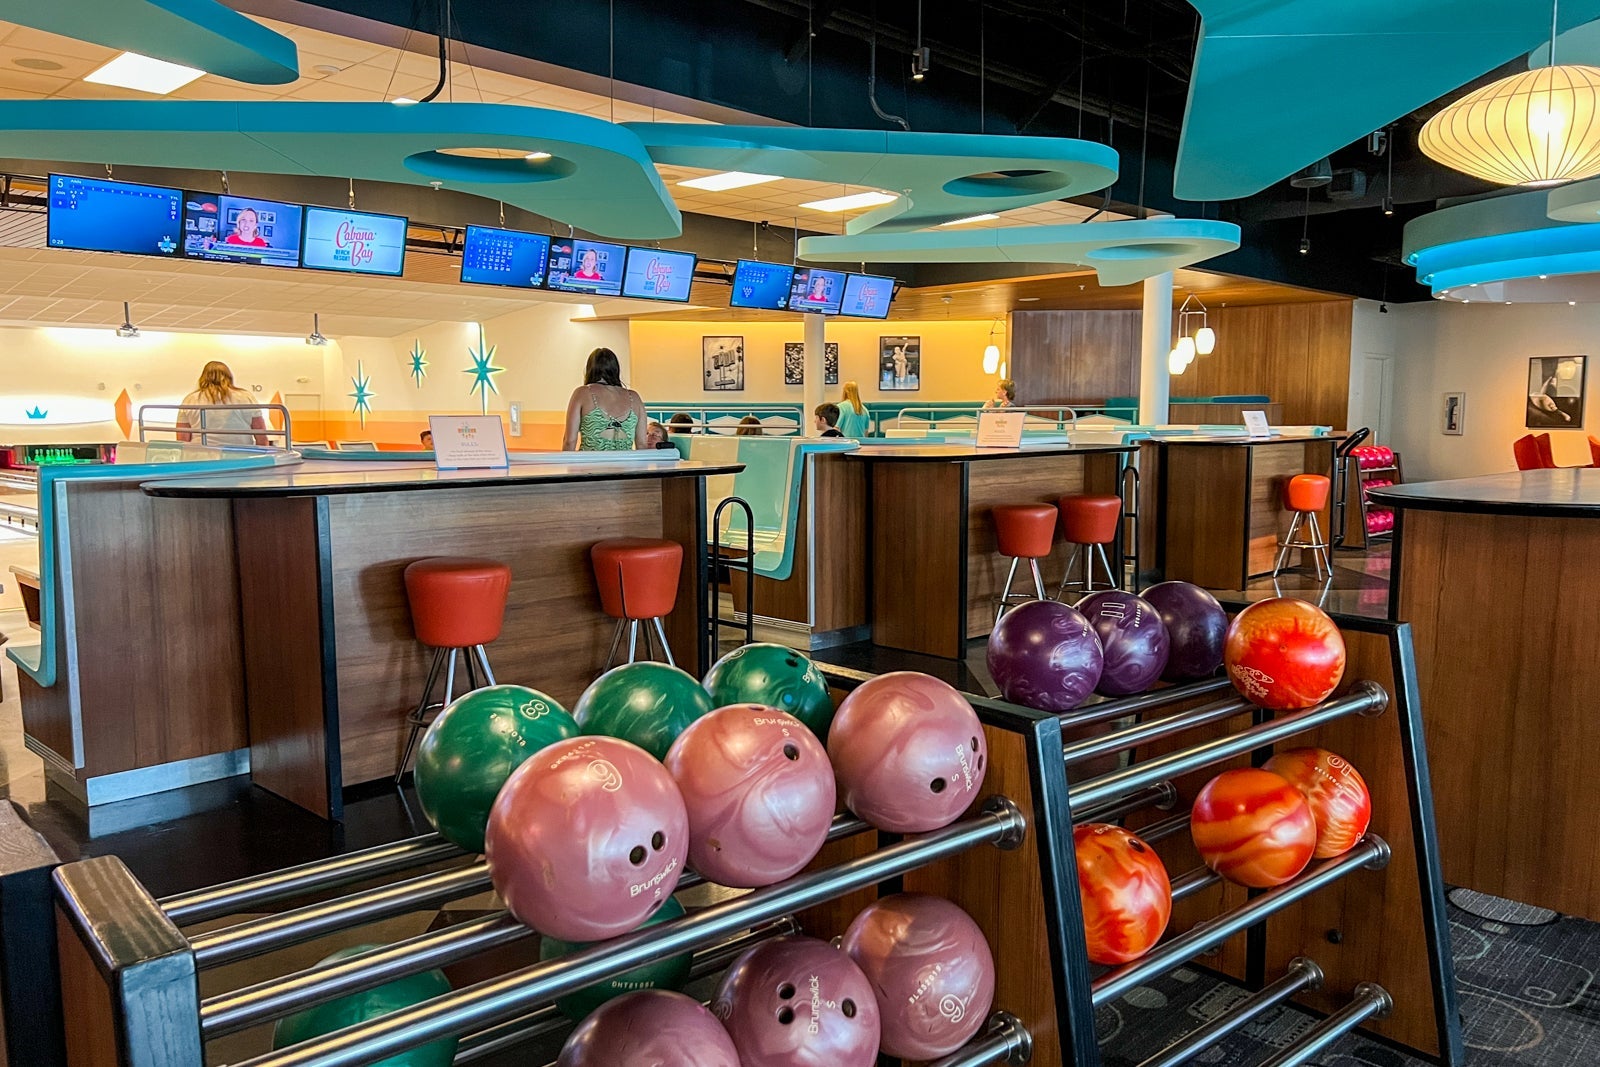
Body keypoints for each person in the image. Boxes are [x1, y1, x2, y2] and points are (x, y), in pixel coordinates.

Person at [563, 348, 648, 451]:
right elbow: (642, 444)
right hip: (625, 465)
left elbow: (570, 441)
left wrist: (565, 465)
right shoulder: (634, 398)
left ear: (589, 369)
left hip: (590, 465)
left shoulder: (582, 393)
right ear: (616, 369)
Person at [176, 361, 269, 446]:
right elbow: (261, 435)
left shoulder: (190, 399)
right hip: (239, 455)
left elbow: (182, 439)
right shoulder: (245, 396)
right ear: (229, 376)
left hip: (200, 454)